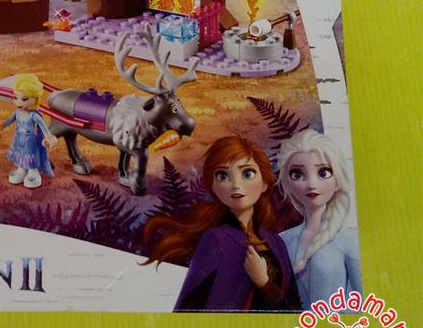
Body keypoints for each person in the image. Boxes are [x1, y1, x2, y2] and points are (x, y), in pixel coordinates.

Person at [143, 135, 301, 311]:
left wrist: (264, 283)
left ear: (264, 182)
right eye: (222, 176)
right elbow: (189, 307)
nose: (236, 185)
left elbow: (294, 310)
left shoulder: (276, 243)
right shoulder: (216, 239)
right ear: (213, 187)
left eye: (247, 174)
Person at [277, 129, 362, 308]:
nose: (311, 184)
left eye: (323, 173)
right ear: (287, 183)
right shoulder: (283, 241)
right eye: (297, 174)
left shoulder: (349, 240)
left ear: (337, 181)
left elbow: (363, 302)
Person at [0, 74, 57, 189]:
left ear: (35, 98)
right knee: (20, 155)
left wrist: (48, 138)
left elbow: (45, 129)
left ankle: (33, 171)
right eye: (15, 97)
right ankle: (21, 169)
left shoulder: (34, 115)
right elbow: (9, 120)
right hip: (18, 139)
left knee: (31, 155)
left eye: (24, 99)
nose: (18, 102)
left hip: (31, 141)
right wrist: (0, 127)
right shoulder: (17, 112)